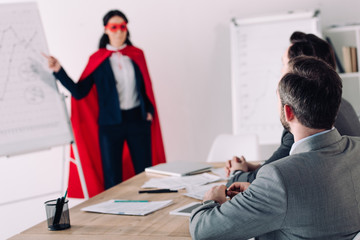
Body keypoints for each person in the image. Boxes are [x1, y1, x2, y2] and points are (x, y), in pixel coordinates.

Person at [189, 56, 360, 240]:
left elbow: (203, 231)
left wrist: (212, 200)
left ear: (288, 112)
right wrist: (259, 193)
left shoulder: (279, 177)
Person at [44, 10, 166, 198]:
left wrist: (148, 111)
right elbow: (79, 91)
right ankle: (115, 215)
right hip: (110, 125)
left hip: (137, 121)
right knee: (112, 176)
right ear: (106, 30)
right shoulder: (98, 59)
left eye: (122, 26)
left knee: (144, 172)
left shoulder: (136, 54)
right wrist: (59, 70)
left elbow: (146, 87)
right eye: (114, 27)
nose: (119, 31)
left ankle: (150, 208)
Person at [225, 31, 360, 185]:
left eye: (284, 64)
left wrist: (237, 173)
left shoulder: (304, 119)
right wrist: (257, 167)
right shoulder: (342, 104)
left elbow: (266, 179)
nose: (281, 72)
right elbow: (282, 164)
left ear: (300, 70)